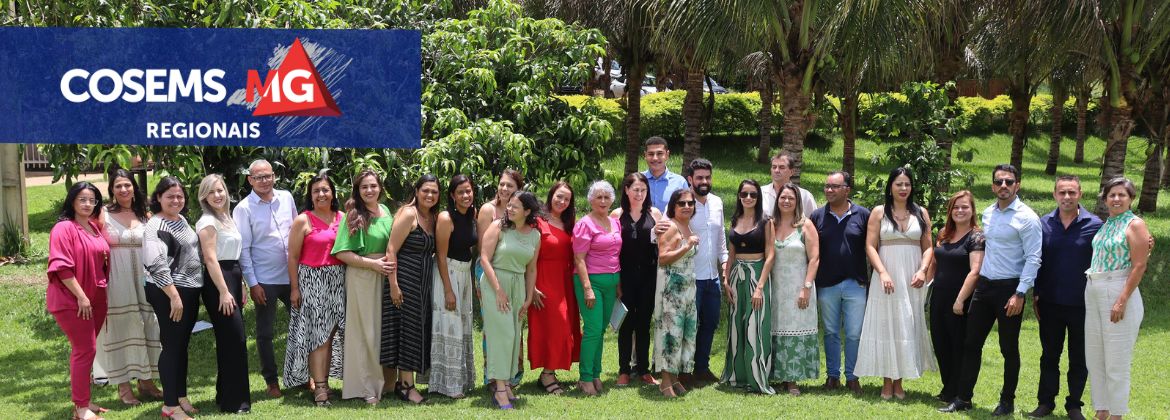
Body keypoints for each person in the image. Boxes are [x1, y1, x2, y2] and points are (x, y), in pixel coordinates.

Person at [941, 164, 1042, 416]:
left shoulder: (1027, 218)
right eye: (999, 182)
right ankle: (963, 398)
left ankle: (1007, 402)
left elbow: (1033, 258)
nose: (1003, 186)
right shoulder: (988, 214)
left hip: (1010, 290)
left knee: (1008, 348)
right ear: (993, 186)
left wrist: (1020, 293)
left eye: (1009, 181)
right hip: (984, 287)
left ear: (1017, 185)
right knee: (971, 343)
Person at [855, 167, 936, 399]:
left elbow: (928, 247)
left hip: (912, 277)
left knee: (906, 324)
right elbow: (870, 246)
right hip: (886, 276)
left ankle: (899, 381)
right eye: (899, 184)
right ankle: (886, 381)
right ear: (890, 187)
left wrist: (922, 270)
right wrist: (882, 272)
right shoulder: (879, 212)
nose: (903, 188)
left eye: (907, 184)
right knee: (886, 325)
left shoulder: (921, 213)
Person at [1028, 176, 1101, 420]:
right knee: (1049, 355)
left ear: (1080, 194)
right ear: (1054, 195)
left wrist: (1147, 243)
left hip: (1083, 304)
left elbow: (1116, 247)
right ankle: (1045, 402)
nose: (1067, 197)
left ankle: (1074, 406)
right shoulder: (1043, 224)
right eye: (1062, 192)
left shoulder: (1095, 225)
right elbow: (1035, 259)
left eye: (1071, 192)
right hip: (1050, 303)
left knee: (1079, 358)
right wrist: (1036, 293)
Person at [94, 170, 163, 406]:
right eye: (118, 186)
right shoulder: (103, 214)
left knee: (148, 325)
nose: (123, 190)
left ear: (134, 187)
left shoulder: (145, 214)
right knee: (121, 328)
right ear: (112, 190)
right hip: (117, 280)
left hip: (145, 278)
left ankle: (146, 381)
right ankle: (123, 386)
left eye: (127, 185)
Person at [1084, 178, 1150, 420]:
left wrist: (1121, 300)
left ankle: (1117, 414)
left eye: (1122, 194)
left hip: (1117, 289)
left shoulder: (1135, 224)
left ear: (1131, 198)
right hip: (1094, 289)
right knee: (1095, 357)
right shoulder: (1107, 224)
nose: (1116, 199)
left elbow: (1139, 265)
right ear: (1105, 199)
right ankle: (1101, 410)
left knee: (1116, 359)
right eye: (1112, 195)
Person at [233, 159, 298, 398]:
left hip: (292, 276)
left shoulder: (286, 198)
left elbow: (297, 232)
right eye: (258, 177)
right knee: (265, 333)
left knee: (301, 326)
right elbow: (244, 249)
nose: (264, 181)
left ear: (274, 176)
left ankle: (302, 376)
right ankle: (272, 381)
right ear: (250, 180)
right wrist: (253, 283)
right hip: (264, 280)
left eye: (268, 176)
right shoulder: (244, 208)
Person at [332, 169, 396, 405]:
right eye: (364, 187)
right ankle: (365, 386)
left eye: (373, 186)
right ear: (357, 191)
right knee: (365, 332)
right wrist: (373, 265)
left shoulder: (386, 211)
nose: (369, 190)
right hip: (363, 276)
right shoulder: (353, 215)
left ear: (380, 188)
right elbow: (342, 253)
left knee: (381, 330)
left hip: (385, 275)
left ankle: (387, 383)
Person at [48, 182, 111, 420]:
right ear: (72, 201)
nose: (87, 204)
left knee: (87, 350)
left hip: (96, 298)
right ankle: (81, 407)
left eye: (92, 200)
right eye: (82, 199)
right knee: (85, 349)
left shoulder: (93, 226)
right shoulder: (64, 228)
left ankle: (85, 401)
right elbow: (61, 267)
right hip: (73, 299)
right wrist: (82, 297)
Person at [141, 176, 202, 419]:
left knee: (181, 345)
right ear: (158, 198)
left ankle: (180, 396)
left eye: (180, 196)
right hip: (169, 291)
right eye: (170, 196)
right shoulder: (155, 226)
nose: (176, 200)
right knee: (172, 346)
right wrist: (174, 296)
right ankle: (169, 406)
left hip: (188, 289)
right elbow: (156, 264)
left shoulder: (180, 220)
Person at [284, 172, 346, 406]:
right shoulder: (303, 220)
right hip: (312, 281)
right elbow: (293, 257)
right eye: (316, 191)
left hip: (338, 280)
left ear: (333, 193)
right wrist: (295, 288)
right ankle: (319, 388)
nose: (321, 194)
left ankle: (324, 382)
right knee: (318, 336)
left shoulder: (342, 217)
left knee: (330, 335)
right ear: (310, 196)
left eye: (325, 190)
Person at [193, 174, 251, 413]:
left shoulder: (227, 217)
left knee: (231, 340)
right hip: (219, 282)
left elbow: (234, 255)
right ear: (204, 197)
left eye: (220, 190)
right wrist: (224, 291)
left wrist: (241, 284)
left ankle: (224, 394)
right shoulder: (208, 221)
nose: (217, 195)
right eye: (211, 192)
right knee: (234, 340)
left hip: (233, 277)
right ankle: (234, 402)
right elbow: (210, 259)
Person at [480, 191, 542, 410]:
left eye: (515, 206)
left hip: (518, 286)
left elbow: (531, 269)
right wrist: (498, 290)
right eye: (509, 205)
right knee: (502, 335)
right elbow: (484, 259)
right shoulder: (498, 226)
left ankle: (505, 383)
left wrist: (528, 297)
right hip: (495, 283)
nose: (509, 209)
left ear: (527, 211)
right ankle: (499, 390)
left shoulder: (535, 235)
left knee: (514, 336)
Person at [809, 170, 869, 395]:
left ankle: (852, 377)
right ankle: (833, 376)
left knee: (854, 333)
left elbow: (872, 247)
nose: (829, 190)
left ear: (847, 190)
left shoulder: (863, 215)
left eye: (834, 186)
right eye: (827, 186)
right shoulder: (817, 216)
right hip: (827, 284)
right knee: (831, 332)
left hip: (856, 283)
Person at [382, 175, 440, 404]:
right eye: (425, 190)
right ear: (416, 191)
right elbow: (391, 250)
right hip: (404, 282)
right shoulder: (408, 214)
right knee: (407, 331)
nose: (430, 195)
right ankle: (407, 386)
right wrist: (393, 285)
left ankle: (403, 382)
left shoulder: (432, 217)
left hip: (422, 284)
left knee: (416, 331)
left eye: (434, 192)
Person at [923, 191, 984, 405]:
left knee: (958, 345)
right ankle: (947, 388)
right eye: (955, 207)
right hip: (939, 296)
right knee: (941, 343)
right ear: (950, 211)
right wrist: (925, 290)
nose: (960, 211)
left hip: (961, 300)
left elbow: (975, 271)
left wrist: (960, 300)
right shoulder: (944, 233)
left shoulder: (977, 237)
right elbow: (934, 263)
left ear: (972, 210)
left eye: (965, 207)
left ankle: (959, 393)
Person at [720, 179, 775, 394]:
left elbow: (771, 256)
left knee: (756, 325)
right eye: (744, 194)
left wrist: (760, 287)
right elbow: (731, 253)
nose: (748, 198)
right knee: (737, 325)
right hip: (737, 276)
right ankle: (737, 375)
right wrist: (726, 279)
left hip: (757, 274)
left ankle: (757, 378)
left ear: (758, 197)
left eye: (753, 194)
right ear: (739, 196)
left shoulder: (765, 221)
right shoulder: (735, 219)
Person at [528, 181, 581, 395]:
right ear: (551, 196)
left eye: (567, 199)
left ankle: (550, 370)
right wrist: (531, 287)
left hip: (565, 280)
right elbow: (528, 255)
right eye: (559, 196)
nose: (562, 201)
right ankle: (547, 374)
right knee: (555, 325)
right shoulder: (537, 222)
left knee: (565, 326)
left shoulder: (569, 223)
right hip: (544, 279)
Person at [769, 183, 821, 395]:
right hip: (775, 288)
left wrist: (806, 287)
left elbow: (814, 258)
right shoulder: (771, 225)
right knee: (775, 327)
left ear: (797, 201)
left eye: (791, 198)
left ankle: (793, 379)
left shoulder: (805, 225)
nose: (786, 201)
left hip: (799, 287)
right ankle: (775, 374)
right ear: (777, 200)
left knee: (796, 327)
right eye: (783, 197)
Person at [572, 180, 623, 395]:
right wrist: (587, 288)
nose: (603, 201)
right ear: (591, 200)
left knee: (601, 329)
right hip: (591, 282)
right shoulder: (585, 224)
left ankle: (595, 374)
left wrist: (618, 285)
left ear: (612, 200)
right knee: (593, 329)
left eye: (606, 197)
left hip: (611, 283)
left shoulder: (615, 222)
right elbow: (579, 258)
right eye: (598, 197)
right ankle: (585, 378)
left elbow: (615, 255)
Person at [429, 174, 478, 398]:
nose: (466, 195)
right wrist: (448, 290)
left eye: (468, 191)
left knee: (463, 325)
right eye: (460, 192)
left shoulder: (473, 214)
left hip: (465, 273)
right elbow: (440, 256)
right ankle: (448, 385)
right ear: (452, 195)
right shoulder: (446, 218)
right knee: (449, 324)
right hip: (446, 273)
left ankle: (462, 380)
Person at [612, 173, 662, 387]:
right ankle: (624, 370)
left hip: (649, 277)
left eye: (643, 190)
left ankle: (643, 370)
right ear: (626, 190)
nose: (639, 194)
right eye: (635, 189)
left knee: (643, 323)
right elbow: (612, 250)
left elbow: (664, 243)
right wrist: (616, 281)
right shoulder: (617, 215)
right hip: (624, 276)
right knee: (625, 323)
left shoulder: (655, 214)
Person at [476, 169, 526, 386]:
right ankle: (493, 377)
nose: (504, 189)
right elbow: (483, 251)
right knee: (495, 327)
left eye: (510, 186)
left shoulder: (522, 212)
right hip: (489, 272)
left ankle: (512, 375)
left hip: (514, 273)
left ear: (519, 189)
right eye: (502, 184)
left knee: (514, 325)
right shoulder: (488, 210)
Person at [654, 189, 701, 398]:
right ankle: (665, 382)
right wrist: (687, 246)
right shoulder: (670, 226)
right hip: (671, 289)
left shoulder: (687, 226)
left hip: (688, 289)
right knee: (670, 333)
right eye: (681, 203)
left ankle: (674, 378)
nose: (687, 206)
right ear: (673, 206)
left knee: (684, 333)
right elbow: (663, 258)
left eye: (690, 203)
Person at [685, 158, 728, 384]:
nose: (704, 181)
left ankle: (701, 367)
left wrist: (725, 267)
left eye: (707, 177)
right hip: (690, 277)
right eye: (699, 178)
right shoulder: (683, 202)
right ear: (690, 179)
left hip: (713, 278)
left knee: (710, 323)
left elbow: (721, 239)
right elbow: (665, 229)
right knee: (689, 326)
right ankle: (683, 370)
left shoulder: (717, 202)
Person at [761, 152, 817, 218]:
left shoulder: (804, 196)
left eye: (781, 167)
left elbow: (814, 219)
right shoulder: (760, 193)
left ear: (792, 172)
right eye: (774, 167)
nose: (776, 170)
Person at [642, 136, 688, 212]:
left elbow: (687, 210)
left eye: (660, 153)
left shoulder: (679, 182)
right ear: (645, 155)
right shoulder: (638, 180)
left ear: (667, 155)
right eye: (651, 154)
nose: (655, 158)